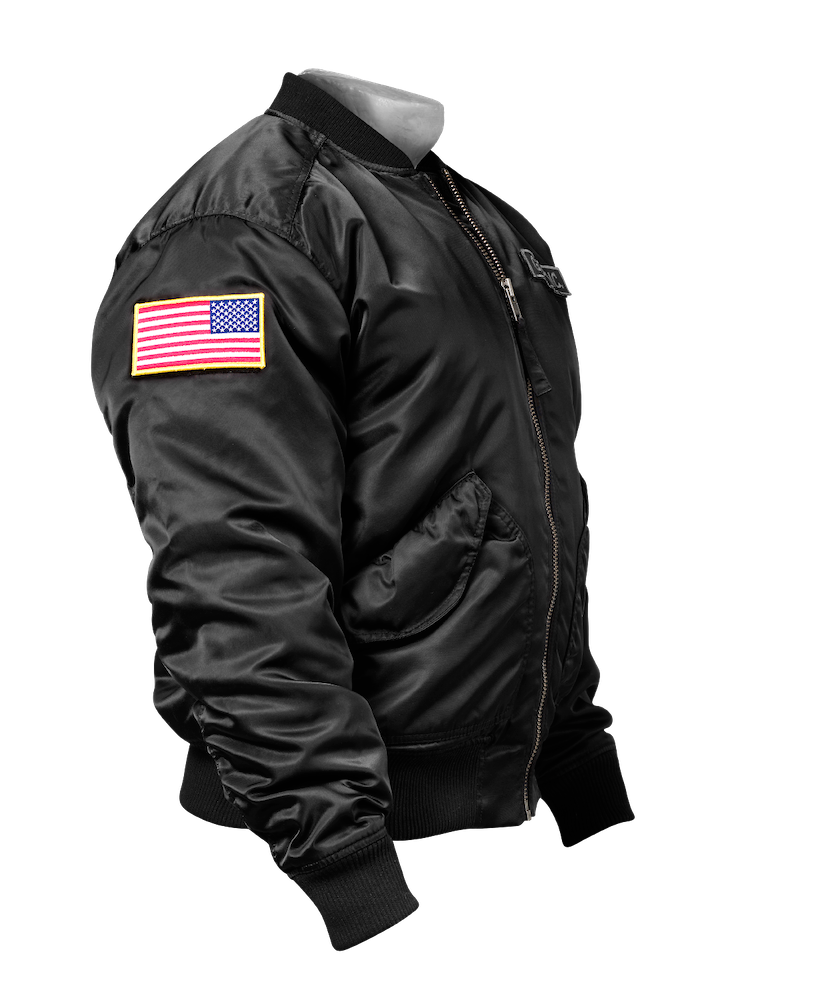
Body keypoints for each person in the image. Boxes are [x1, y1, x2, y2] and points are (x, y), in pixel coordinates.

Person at [89, 66, 634, 952]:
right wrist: (350, 873)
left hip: (517, 810)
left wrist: (583, 772)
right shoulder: (233, 234)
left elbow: (538, 519)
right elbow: (231, 566)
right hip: (324, 859)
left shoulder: (485, 219)